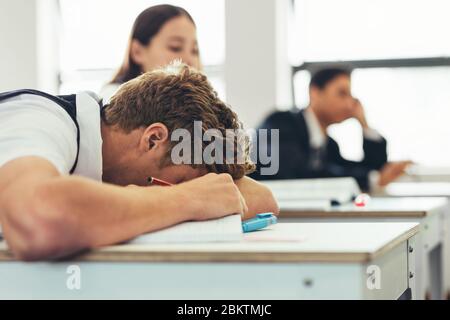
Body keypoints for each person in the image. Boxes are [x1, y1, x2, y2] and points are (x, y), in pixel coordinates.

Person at [0, 62, 278, 261]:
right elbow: (38, 221)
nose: (171, 190)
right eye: (177, 183)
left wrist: (198, 193)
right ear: (154, 139)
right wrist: (186, 200)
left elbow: (262, 200)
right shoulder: (38, 119)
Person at [251, 67, 410, 191]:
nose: (349, 104)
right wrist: (371, 178)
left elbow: (358, 169)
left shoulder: (328, 144)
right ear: (315, 92)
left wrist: (364, 124)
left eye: (351, 96)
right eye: (342, 94)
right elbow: (297, 173)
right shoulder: (280, 122)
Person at [100, 4, 200, 100]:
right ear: (137, 51)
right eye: (175, 47)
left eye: (194, 50)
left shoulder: (200, 102)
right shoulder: (112, 100)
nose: (189, 60)